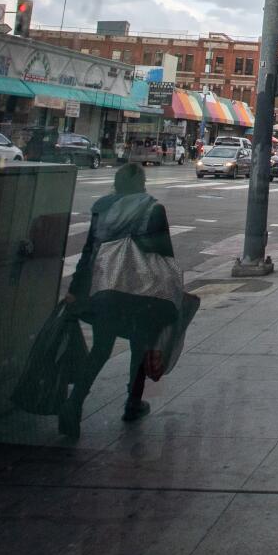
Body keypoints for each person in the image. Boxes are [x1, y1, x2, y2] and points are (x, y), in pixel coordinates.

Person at [60, 162, 197, 437]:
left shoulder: (102, 207)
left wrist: (76, 288)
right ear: (142, 184)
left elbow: (89, 251)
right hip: (142, 292)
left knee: (100, 348)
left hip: (106, 289)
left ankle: (74, 403)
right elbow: (163, 252)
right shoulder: (153, 208)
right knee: (141, 344)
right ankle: (132, 402)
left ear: (117, 183)